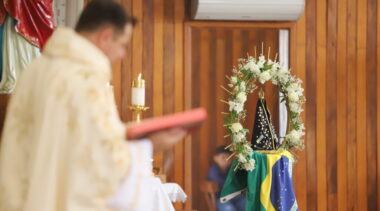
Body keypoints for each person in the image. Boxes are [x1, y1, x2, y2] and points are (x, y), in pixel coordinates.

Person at [0, 1, 186, 211]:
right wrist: (148, 144)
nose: (123, 54)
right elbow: (100, 160)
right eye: (123, 45)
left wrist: (128, 133)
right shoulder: (85, 78)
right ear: (105, 36)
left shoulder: (35, 69)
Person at [208, 146, 245, 211]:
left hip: (234, 196)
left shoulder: (230, 168)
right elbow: (221, 182)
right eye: (223, 157)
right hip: (221, 199)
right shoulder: (214, 170)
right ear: (215, 158)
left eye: (229, 158)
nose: (226, 160)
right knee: (229, 209)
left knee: (247, 204)